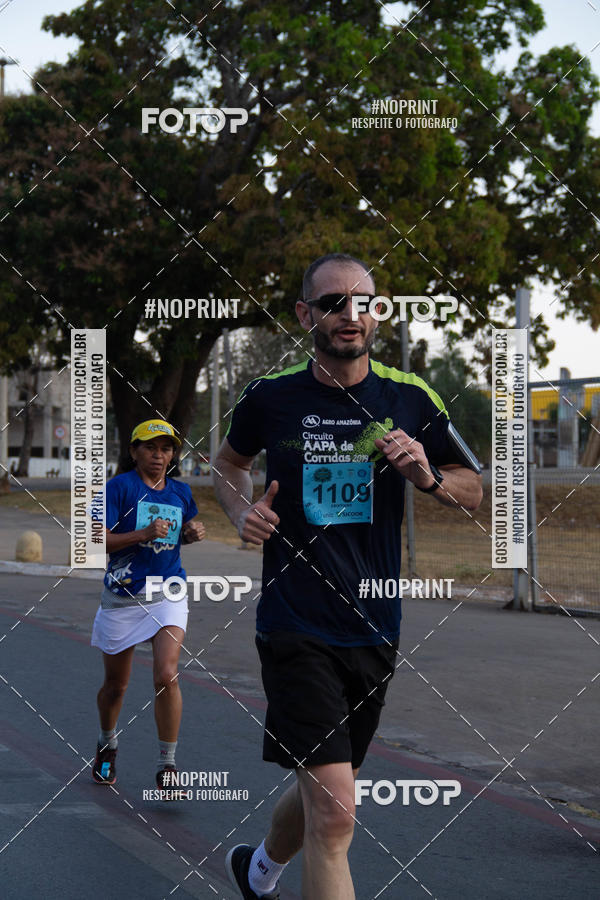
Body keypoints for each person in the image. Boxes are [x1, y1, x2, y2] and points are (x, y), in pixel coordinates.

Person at [214, 253, 483, 899]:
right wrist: (242, 511)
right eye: (333, 303)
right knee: (336, 811)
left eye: (362, 302)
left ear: (378, 312)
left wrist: (428, 477)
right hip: (295, 622)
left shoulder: (410, 398)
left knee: (326, 789)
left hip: (374, 625)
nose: (349, 314)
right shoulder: (270, 396)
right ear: (305, 314)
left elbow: (474, 490)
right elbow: (228, 464)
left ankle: (258, 870)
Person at [91, 418, 206, 790]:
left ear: (172, 455)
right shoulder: (118, 488)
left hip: (168, 590)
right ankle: (107, 743)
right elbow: (96, 540)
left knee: (166, 676)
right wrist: (141, 533)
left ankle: (167, 764)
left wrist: (191, 534)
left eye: (166, 449)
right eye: (150, 448)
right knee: (116, 686)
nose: (159, 455)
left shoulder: (181, 492)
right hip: (123, 596)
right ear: (134, 451)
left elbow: (177, 535)